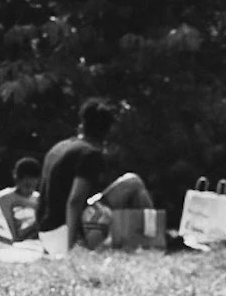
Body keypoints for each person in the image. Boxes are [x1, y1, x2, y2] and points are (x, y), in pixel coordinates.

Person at [37, 97, 154, 252]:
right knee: (133, 182)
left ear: (82, 124)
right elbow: (75, 200)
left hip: (46, 235)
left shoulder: (59, 147)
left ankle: (145, 241)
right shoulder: (89, 154)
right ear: (107, 132)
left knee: (129, 191)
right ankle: (153, 239)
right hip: (64, 236)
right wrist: (69, 247)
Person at [0, 153, 43, 241]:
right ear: (16, 178)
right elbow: (8, 231)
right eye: (25, 184)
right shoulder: (4, 198)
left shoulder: (40, 199)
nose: (28, 188)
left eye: (31, 185)